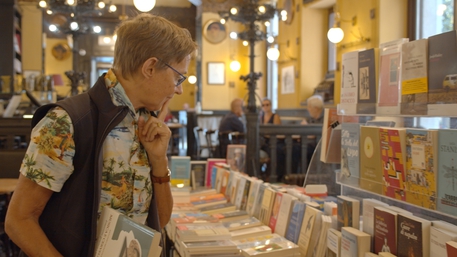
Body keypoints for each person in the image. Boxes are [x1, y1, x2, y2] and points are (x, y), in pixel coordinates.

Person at [5, 13, 197, 257]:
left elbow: (160, 220)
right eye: (178, 77)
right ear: (149, 67)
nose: (178, 89)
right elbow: (19, 220)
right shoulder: (66, 122)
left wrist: (159, 161)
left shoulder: (147, 123)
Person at [292, 94, 325, 173]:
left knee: (295, 150)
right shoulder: (310, 119)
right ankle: (293, 175)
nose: (308, 109)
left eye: (309, 107)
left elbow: (317, 134)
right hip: (306, 144)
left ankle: (299, 175)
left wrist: (306, 129)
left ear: (316, 108)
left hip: (317, 146)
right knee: (288, 148)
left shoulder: (324, 119)